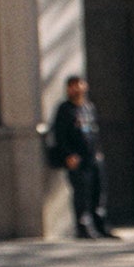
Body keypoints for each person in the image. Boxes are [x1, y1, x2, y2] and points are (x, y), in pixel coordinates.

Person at [44, 75, 115, 237]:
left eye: (79, 85)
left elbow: (95, 133)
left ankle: (101, 225)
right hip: (77, 159)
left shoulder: (88, 108)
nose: (76, 89)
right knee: (82, 194)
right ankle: (83, 228)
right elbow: (59, 135)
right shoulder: (65, 110)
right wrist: (68, 155)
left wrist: (98, 153)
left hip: (93, 158)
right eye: (72, 86)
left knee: (98, 192)